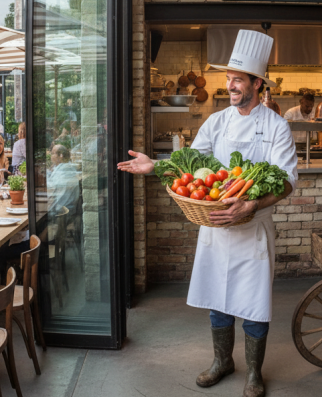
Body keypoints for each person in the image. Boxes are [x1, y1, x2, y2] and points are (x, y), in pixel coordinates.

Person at [117, 29, 297, 397]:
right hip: (215, 227)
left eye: (238, 79)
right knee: (218, 297)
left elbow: (288, 182)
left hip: (254, 229)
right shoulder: (216, 122)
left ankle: (254, 374)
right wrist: (156, 167)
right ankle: (222, 362)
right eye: (229, 78)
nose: (230, 85)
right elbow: (189, 166)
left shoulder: (277, 127)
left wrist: (252, 204)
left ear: (257, 84)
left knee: (254, 303)